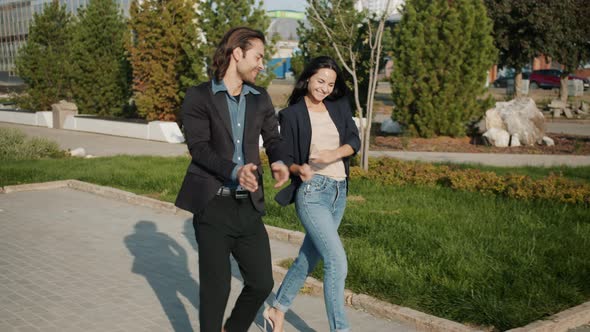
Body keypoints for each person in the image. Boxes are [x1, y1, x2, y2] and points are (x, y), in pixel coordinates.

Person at [175, 27, 289, 332]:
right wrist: (234, 170)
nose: (262, 64)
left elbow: (273, 138)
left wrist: (278, 161)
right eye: (258, 56)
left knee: (262, 282)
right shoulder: (199, 96)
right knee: (216, 291)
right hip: (213, 205)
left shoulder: (260, 98)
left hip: (248, 206)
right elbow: (198, 148)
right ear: (237, 53)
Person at [265, 56, 361, 332]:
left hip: (338, 192)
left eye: (330, 84)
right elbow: (289, 157)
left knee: (309, 258)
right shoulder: (292, 114)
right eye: (320, 81)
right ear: (308, 78)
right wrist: (297, 168)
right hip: (313, 193)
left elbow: (354, 141)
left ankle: (276, 309)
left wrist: (334, 153)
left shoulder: (339, 106)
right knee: (336, 261)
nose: (325, 88)